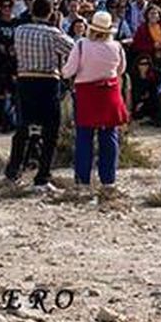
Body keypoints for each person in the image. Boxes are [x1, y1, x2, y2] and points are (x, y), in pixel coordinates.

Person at [6, 0, 75, 188]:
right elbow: (73, 48)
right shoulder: (53, 33)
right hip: (47, 82)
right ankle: (42, 176)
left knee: (23, 128)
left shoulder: (19, 31)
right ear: (50, 12)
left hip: (24, 79)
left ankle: (13, 171)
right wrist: (58, 27)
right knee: (51, 130)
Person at [63, 10, 129, 191]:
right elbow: (121, 70)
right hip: (109, 92)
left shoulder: (82, 45)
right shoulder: (117, 46)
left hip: (87, 93)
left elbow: (68, 71)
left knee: (84, 137)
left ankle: (83, 180)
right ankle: (108, 180)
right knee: (109, 137)